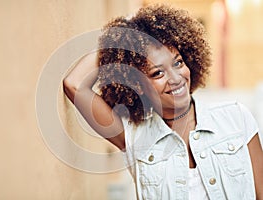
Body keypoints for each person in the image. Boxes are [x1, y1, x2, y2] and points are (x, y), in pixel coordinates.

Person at [63, 4, 263, 200]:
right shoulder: (133, 136)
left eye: (178, 63)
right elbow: (74, 84)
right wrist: (124, 38)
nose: (176, 78)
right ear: (136, 84)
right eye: (158, 73)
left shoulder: (236, 117)